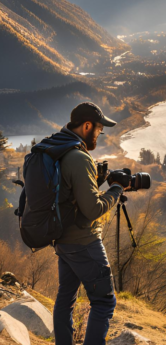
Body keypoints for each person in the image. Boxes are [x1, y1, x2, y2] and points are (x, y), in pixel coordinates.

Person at [51, 102, 128, 345]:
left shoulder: (58, 147)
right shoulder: (78, 157)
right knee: (104, 301)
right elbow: (93, 209)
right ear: (87, 126)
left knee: (66, 298)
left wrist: (97, 181)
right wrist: (116, 189)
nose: (99, 134)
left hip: (62, 239)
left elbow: (69, 194)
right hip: (83, 242)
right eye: (98, 129)